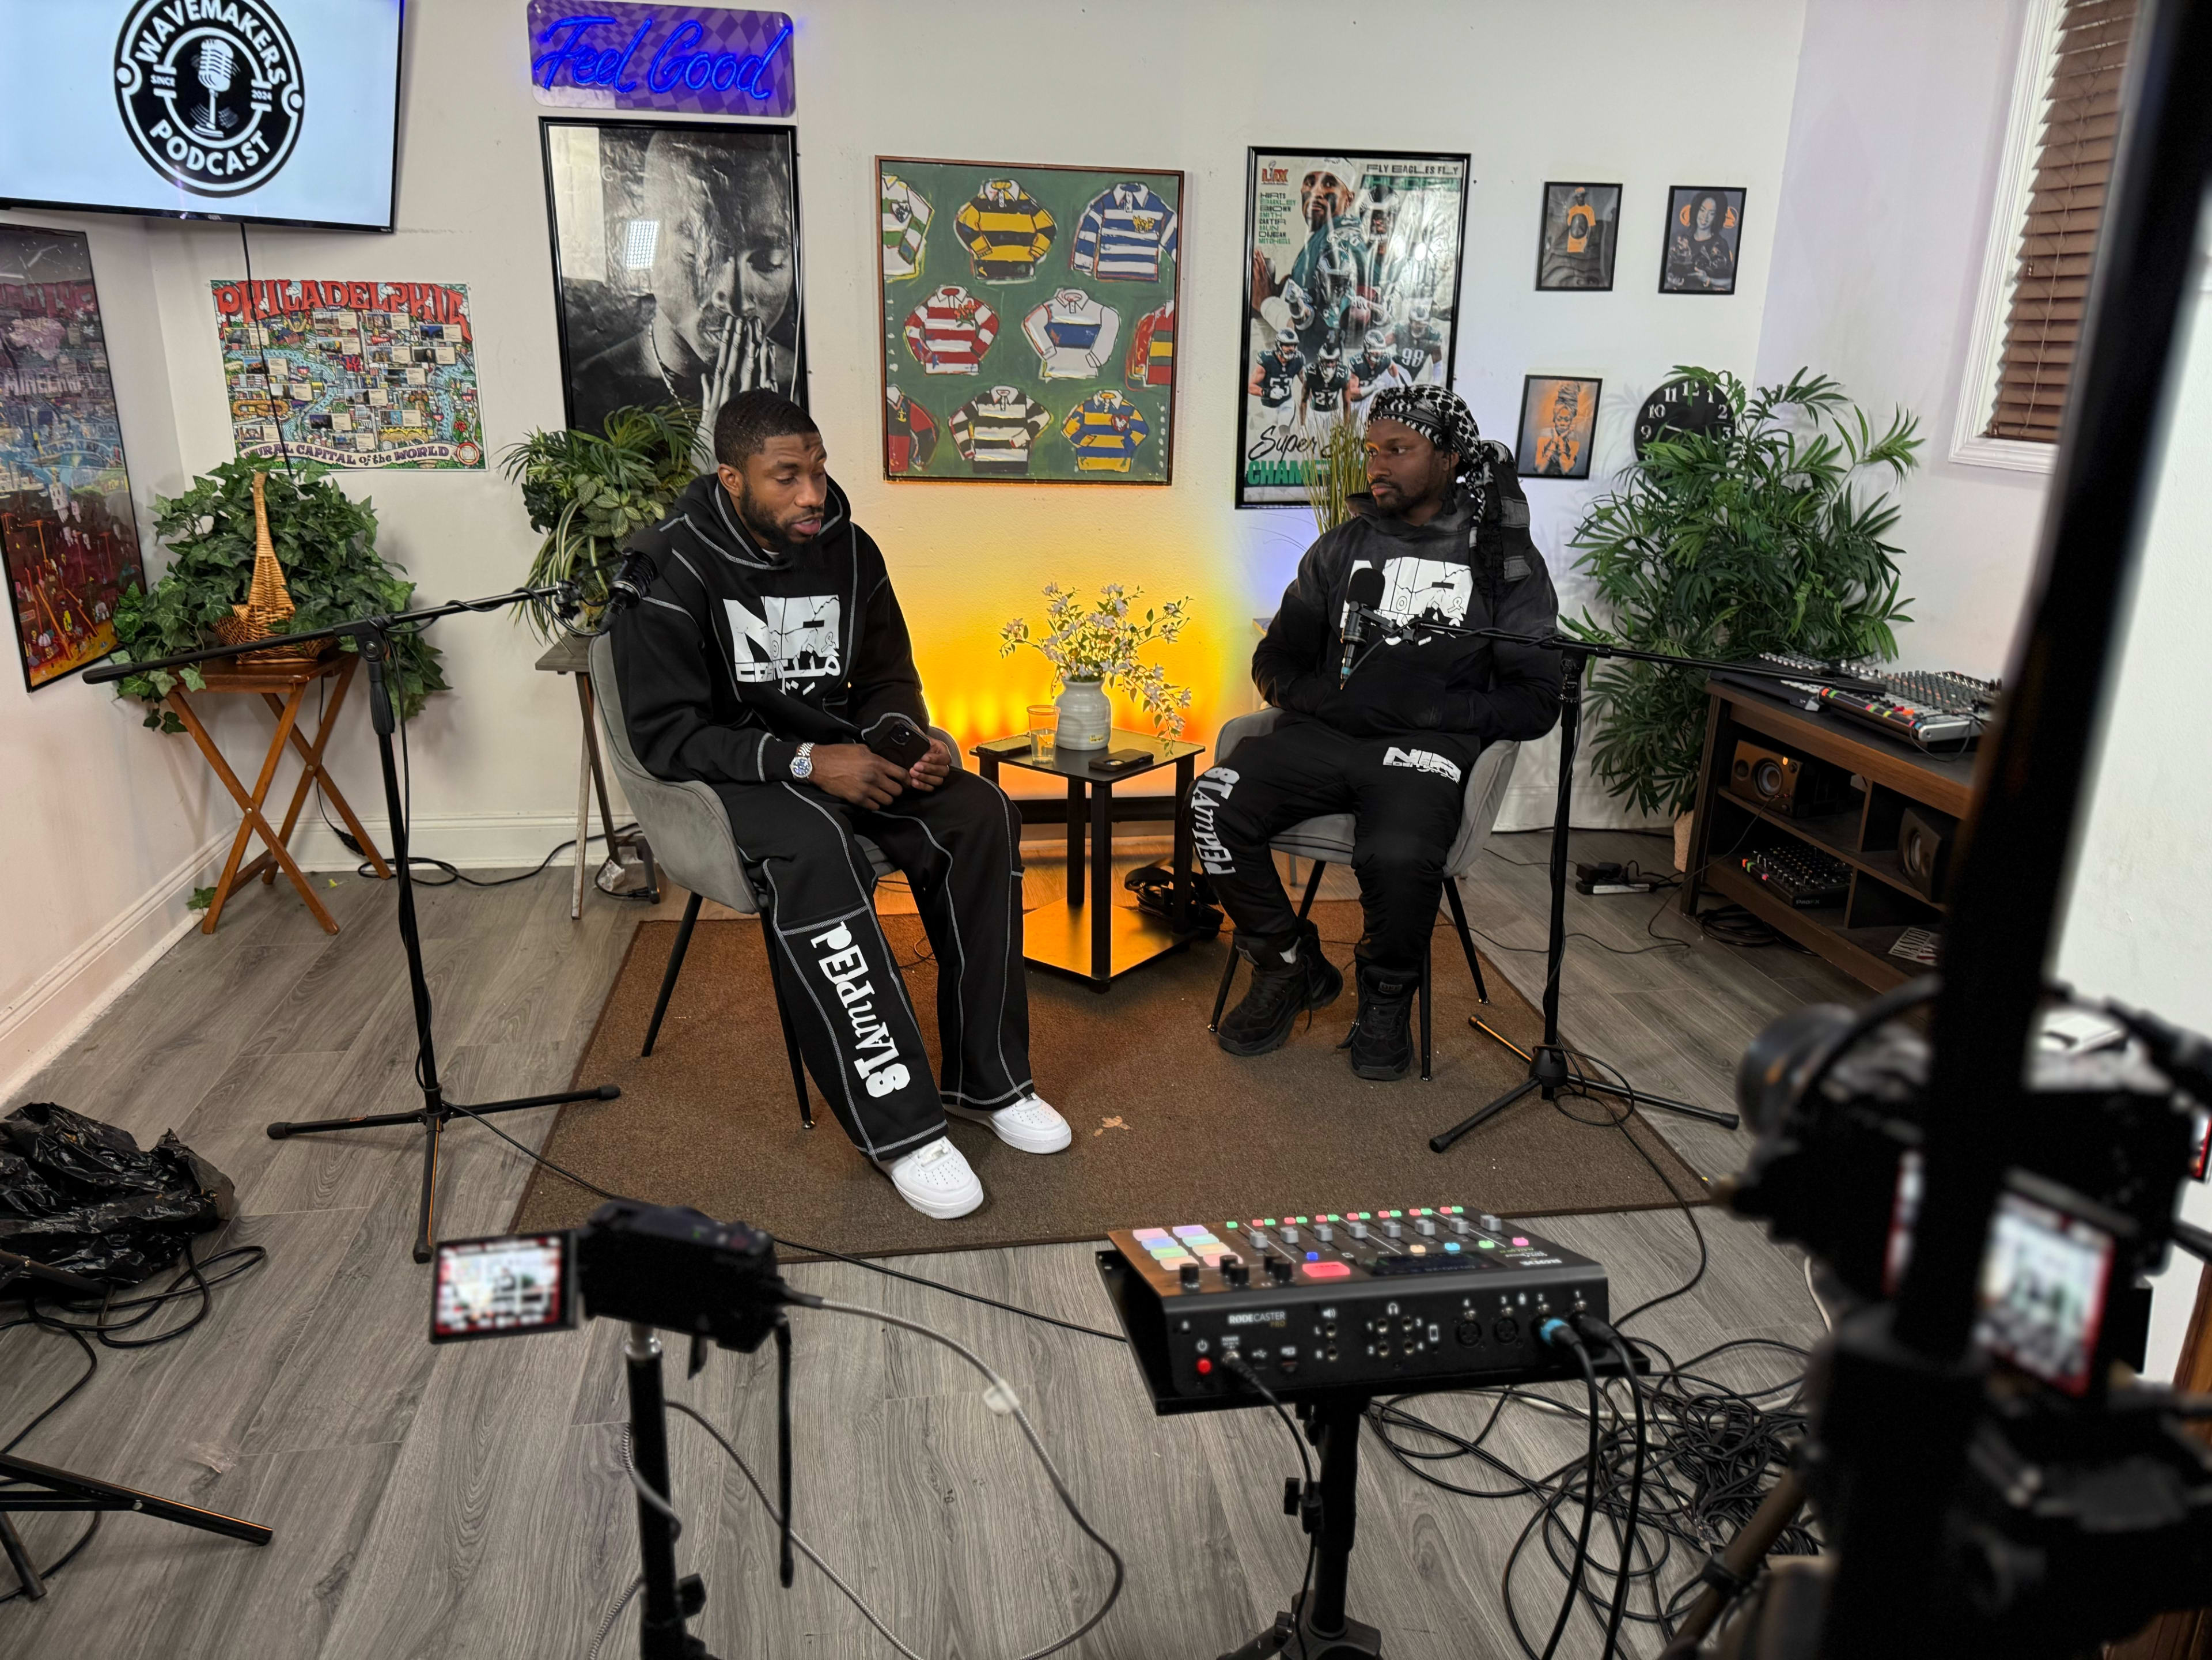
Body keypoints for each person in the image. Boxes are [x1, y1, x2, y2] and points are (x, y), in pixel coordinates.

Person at [611, 391, 1069, 1219]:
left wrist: (905, 741)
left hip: (847, 757)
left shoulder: (850, 550)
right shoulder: (668, 565)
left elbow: (887, 676)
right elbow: (666, 736)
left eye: (818, 471)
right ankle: (901, 1127)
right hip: (733, 779)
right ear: (732, 478)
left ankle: (990, 1081)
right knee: (817, 844)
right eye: (786, 477)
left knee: (980, 813)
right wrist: (803, 761)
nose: (812, 493)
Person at [1195, 385, 1561, 1080]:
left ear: (1449, 458)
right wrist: (1329, 702)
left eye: (1399, 449)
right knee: (1214, 802)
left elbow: (1536, 699)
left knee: (1398, 852)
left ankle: (1387, 998)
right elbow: (1275, 660)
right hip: (1329, 735)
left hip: (1427, 749)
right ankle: (1284, 964)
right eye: (1372, 450)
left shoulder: (1502, 562)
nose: (1378, 464)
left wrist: (1432, 713)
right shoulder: (1342, 548)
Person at [569, 131, 801, 453]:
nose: (730, 295)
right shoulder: (592, 392)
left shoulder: (802, 384)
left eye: (767, 261)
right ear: (649, 243)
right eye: (699, 254)